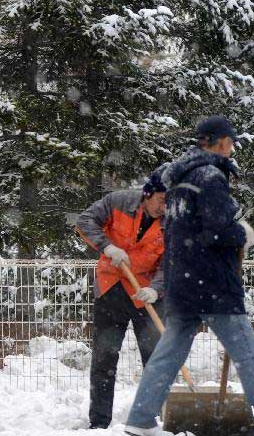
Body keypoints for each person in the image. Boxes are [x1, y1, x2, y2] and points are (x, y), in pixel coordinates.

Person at [124, 116, 254, 436]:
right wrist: (242, 234)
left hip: (182, 279)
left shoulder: (180, 180)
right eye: (231, 142)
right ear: (222, 141)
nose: (232, 147)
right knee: (248, 351)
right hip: (211, 282)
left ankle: (140, 419)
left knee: (169, 353)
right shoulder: (210, 176)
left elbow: (186, 230)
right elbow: (218, 229)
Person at [75, 169, 168, 429]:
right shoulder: (119, 202)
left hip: (146, 295)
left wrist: (156, 289)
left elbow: (171, 263)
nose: (166, 206)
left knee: (156, 359)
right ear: (148, 193)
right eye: (162, 199)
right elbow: (85, 221)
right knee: (105, 358)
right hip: (111, 288)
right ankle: (99, 422)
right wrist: (107, 246)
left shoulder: (174, 222)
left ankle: (153, 419)